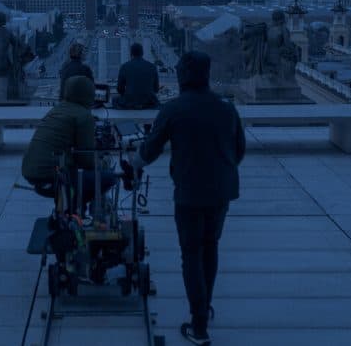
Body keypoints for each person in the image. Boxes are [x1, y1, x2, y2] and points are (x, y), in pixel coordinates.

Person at [130, 51, 245, 346]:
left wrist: (134, 163)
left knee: (191, 254)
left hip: (190, 193)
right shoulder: (226, 108)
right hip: (221, 192)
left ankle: (199, 326)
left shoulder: (174, 109)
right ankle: (203, 307)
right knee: (210, 248)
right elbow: (239, 151)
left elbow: (150, 150)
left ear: (182, 76)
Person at [22, 75, 114, 207]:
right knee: (108, 177)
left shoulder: (57, 109)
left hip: (30, 171)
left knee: (80, 177)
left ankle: (70, 209)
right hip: (52, 176)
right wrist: (102, 163)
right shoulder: (84, 116)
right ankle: (76, 211)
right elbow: (86, 160)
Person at [114, 42, 160, 109]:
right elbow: (156, 89)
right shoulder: (152, 67)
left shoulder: (124, 67)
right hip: (149, 102)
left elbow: (120, 89)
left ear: (131, 53)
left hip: (129, 101)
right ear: (142, 53)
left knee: (115, 100)